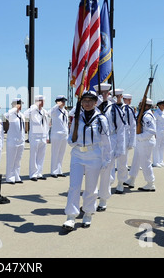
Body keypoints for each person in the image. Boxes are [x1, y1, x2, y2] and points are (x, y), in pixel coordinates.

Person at [62, 91, 111, 230]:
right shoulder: (78, 117)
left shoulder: (101, 119)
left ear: (96, 102)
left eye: (90, 101)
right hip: (77, 154)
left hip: (94, 155)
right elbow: (71, 137)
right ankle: (71, 217)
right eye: (85, 101)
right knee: (74, 186)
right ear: (81, 103)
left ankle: (88, 213)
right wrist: (71, 140)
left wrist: (106, 159)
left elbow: (106, 142)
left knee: (91, 187)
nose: (87, 103)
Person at [96, 87, 126, 210]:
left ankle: (103, 200)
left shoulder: (114, 109)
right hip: (94, 143)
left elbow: (121, 129)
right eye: (100, 93)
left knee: (106, 171)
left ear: (109, 93)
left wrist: (121, 147)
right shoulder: (92, 107)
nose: (103, 95)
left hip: (110, 141)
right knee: (93, 172)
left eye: (105, 93)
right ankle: (92, 199)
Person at [124, 98, 156, 191]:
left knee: (145, 163)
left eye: (141, 104)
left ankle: (150, 183)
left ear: (146, 105)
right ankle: (132, 179)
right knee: (136, 160)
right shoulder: (143, 114)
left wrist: (139, 137)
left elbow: (152, 131)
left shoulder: (147, 116)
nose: (139, 105)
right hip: (141, 142)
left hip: (145, 142)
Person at [24, 95, 50, 181]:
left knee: (41, 156)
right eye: (40, 101)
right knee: (33, 156)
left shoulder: (44, 112)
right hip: (35, 136)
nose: (42, 103)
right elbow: (25, 115)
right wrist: (34, 106)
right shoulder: (33, 111)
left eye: (43, 101)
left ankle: (39, 173)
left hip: (43, 136)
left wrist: (47, 136)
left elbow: (47, 125)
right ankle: (33, 174)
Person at [4, 98, 26, 184]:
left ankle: (17, 176)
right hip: (12, 141)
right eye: (18, 104)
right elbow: (6, 115)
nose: (20, 106)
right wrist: (14, 108)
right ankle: (10, 177)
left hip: (21, 140)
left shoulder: (22, 115)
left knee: (18, 160)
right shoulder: (11, 114)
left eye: (20, 104)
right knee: (11, 160)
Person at [49, 95, 69, 178]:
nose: (64, 103)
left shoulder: (65, 111)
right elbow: (48, 113)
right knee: (55, 153)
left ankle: (59, 170)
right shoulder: (54, 111)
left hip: (64, 134)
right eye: (62, 101)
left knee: (61, 154)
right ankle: (53, 171)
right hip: (56, 134)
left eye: (64, 101)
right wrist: (57, 104)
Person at [117, 93, 136, 176]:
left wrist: (132, 141)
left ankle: (122, 180)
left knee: (123, 161)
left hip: (125, 137)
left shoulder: (129, 110)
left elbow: (133, 126)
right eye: (129, 100)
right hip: (115, 136)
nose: (130, 101)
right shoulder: (113, 108)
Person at [153, 99, 164, 167]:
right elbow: (154, 123)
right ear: (159, 105)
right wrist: (154, 133)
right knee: (156, 147)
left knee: (162, 146)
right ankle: (155, 162)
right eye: (163, 104)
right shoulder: (156, 113)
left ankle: (161, 161)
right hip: (158, 131)